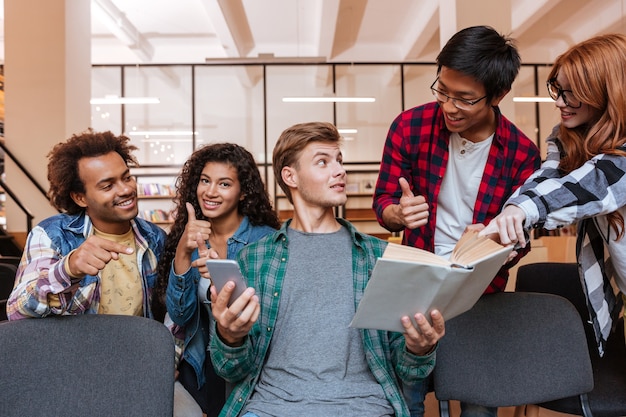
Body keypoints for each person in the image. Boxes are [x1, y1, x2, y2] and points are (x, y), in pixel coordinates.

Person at [206, 121, 445, 417]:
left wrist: (419, 348)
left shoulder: (378, 257)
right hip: (271, 408)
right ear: (290, 176)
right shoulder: (254, 259)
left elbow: (409, 372)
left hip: (365, 408)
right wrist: (229, 337)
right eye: (323, 161)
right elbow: (231, 368)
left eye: (339, 161)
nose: (340, 170)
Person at [372, 25, 541, 417]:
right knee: (407, 396)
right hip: (418, 283)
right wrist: (396, 214)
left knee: (479, 404)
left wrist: (496, 244)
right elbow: (384, 201)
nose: (449, 106)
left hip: (481, 291)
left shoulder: (521, 154)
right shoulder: (410, 127)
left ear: (497, 96)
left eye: (464, 99)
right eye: (442, 90)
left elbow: (524, 238)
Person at [4, 130, 205, 416]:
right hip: (71, 370)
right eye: (107, 185)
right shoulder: (52, 235)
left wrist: (164, 360)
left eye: (126, 177)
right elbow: (17, 312)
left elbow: (171, 314)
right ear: (80, 196)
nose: (125, 189)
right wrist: (68, 268)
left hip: (138, 369)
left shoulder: (154, 239)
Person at [480, 33, 626, 355]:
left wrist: (521, 213)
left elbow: (593, 184)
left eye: (572, 93)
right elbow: (549, 178)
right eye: (557, 89)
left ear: (605, 91)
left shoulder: (617, 161)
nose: (559, 102)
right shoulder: (566, 138)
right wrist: (509, 218)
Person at [155, 143, 280, 417]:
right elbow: (181, 314)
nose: (210, 192)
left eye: (224, 184)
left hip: (248, 366)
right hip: (199, 367)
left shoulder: (266, 240)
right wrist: (183, 251)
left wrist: (220, 282)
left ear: (243, 191)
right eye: (204, 181)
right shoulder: (188, 235)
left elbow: (269, 319)